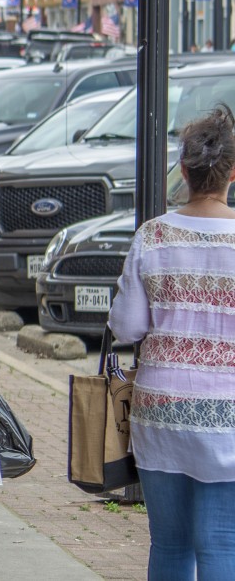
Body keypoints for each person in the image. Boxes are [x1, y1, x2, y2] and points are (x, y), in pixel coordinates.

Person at [108, 105, 235, 581]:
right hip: (229, 414)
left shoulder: (154, 236)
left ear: (183, 169)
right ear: (233, 173)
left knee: (169, 543)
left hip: (161, 408)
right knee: (223, 542)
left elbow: (127, 328)